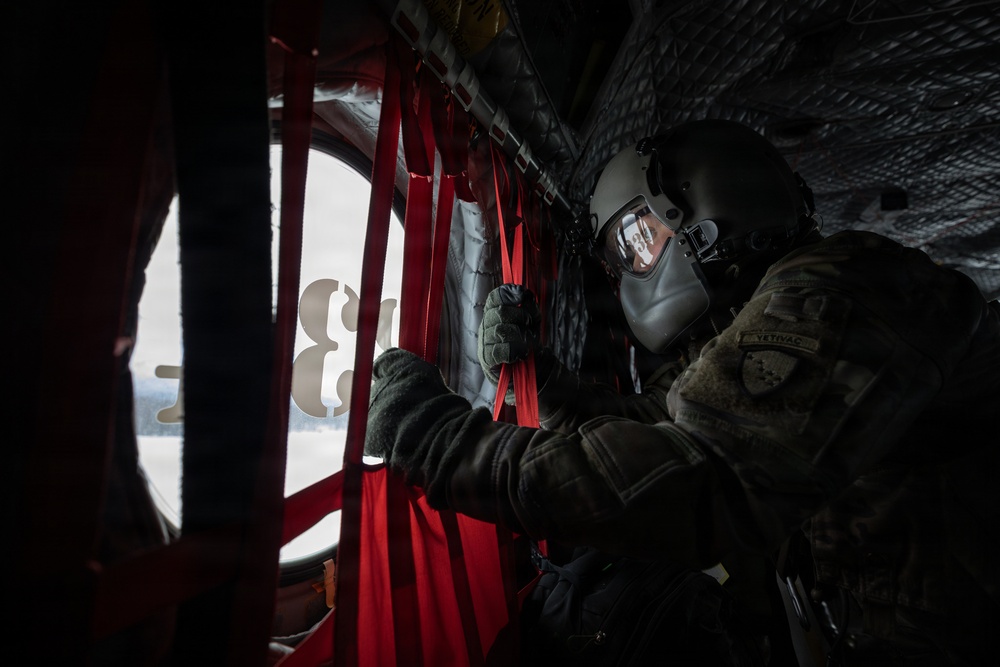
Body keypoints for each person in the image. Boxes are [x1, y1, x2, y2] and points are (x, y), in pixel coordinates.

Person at [365, 119, 1000, 665]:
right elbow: (658, 417)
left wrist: (444, 443)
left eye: (637, 240)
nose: (627, 272)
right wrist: (547, 383)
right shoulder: (751, 317)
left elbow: (701, 479)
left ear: (707, 205)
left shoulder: (846, 288)